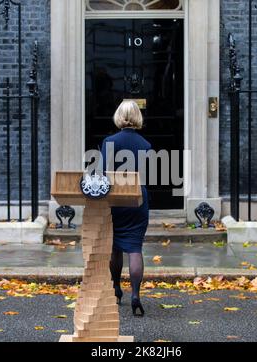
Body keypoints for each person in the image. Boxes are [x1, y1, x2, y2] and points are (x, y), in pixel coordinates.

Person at [101, 100, 151, 317]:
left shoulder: (109, 142)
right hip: (138, 199)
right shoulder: (146, 145)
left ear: (118, 116)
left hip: (115, 200)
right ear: (138, 117)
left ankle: (116, 289)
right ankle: (136, 295)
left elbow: (103, 173)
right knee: (135, 247)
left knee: (115, 247)